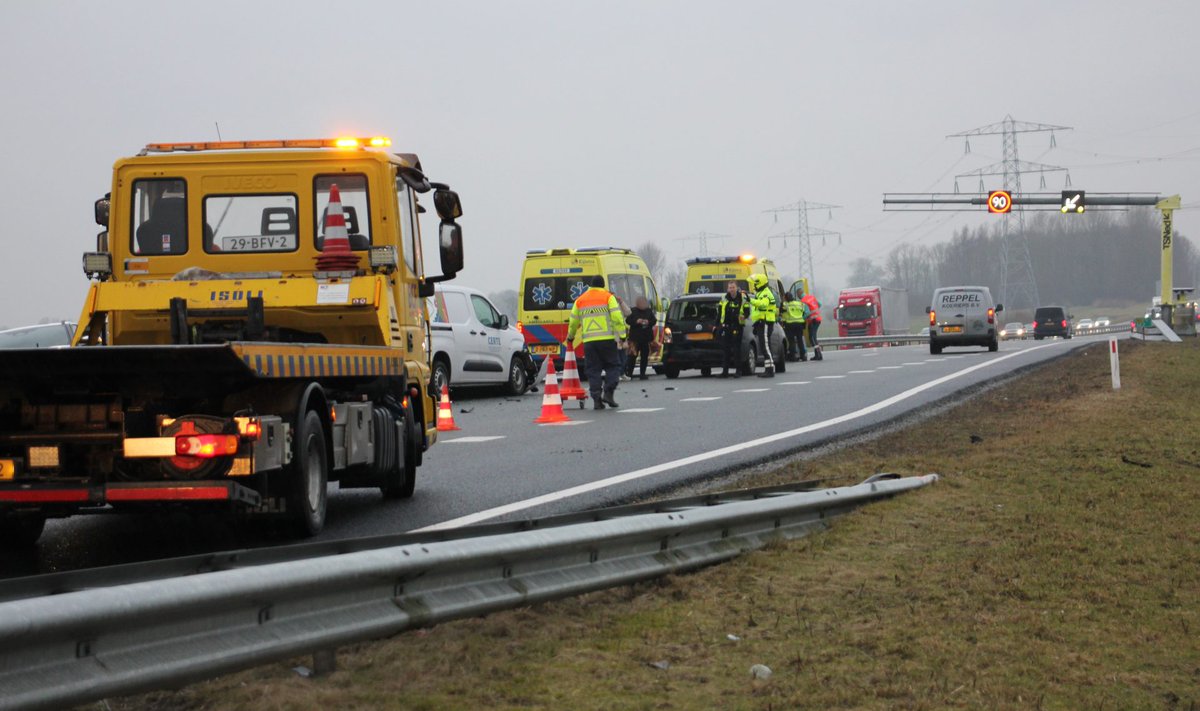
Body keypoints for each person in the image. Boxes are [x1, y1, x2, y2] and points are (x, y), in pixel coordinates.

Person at [566, 275, 628, 409]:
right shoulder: (608, 297)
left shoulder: (580, 300)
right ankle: (608, 393)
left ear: (591, 285)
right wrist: (622, 335)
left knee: (593, 370)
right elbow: (617, 317)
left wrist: (570, 337)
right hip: (606, 340)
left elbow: (573, 322)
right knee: (613, 366)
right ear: (603, 285)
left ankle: (596, 400)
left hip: (589, 342)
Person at [716, 280, 749, 378]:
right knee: (725, 350)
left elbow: (747, 311)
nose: (731, 290)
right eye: (730, 288)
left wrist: (744, 316)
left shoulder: (742, 298)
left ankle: (738, 371)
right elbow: (719, 313)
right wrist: (717, 325)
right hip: (726, 327)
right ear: (727, 289)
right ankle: (725, 372)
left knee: (736, 349)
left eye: (733, 287)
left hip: (737, 326)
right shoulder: (724, 298)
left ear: (736, 288)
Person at [748, 273, 778, 378]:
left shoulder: (765, 293)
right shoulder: (761, 293)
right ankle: (768, 368)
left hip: (765, 322)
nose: (754, 286)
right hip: (762, 322)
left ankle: (770, 370)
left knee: (765, 346)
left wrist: (750, 300)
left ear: (759, 283)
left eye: (755, 284)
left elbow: (763, 304)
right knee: (765, 345)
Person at [624, 296, 656, 380]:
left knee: (644, 357)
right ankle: (629, 373)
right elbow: (628, 320)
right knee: (632, 357)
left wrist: (648, 322)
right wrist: (636, 321)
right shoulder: (633, 311)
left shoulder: (649, 311)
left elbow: (654, 321)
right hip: (635, 339)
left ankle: (642, 374)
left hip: (646, 338)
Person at [781, 292, 808, 362]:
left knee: (791, 341)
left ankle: (793, 356)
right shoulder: (799, 303)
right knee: (800, 340)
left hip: (790, 324)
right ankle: (803, 356)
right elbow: (804, 312)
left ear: (786, 298)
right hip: (799, 324)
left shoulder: (785, 304)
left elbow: (781, 312)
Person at [801, 290, 823, 361]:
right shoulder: (811, 297)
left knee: (812, 337)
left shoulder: (803, 301)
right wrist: (814, 310)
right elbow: (819, 304)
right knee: (814, 337)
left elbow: (807, 313)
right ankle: (817, 354)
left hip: (813, 320)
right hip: (818, 319)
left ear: (799, 294)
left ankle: (818, 354)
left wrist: (802, 318)